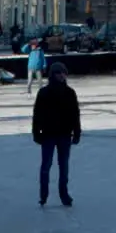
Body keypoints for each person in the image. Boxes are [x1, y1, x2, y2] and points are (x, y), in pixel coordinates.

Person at [32, 62, 81, 207]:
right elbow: (37, 114)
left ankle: (64, 194)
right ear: (52, 74)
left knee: (64, 166)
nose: (62, 75)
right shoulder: (44, 92)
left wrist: (77, 132)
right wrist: (36, 132)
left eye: (64, 73)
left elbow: (75, 114)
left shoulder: (70, 92)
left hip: (65, 134)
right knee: (46, 166)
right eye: (59, 73)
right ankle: (43, 195)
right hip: (48, 134)